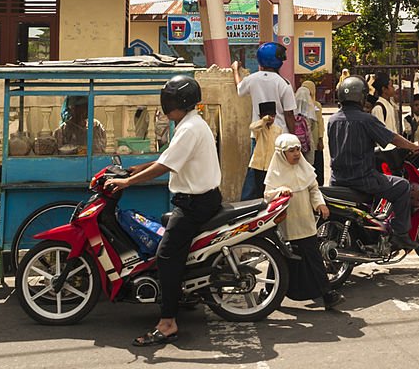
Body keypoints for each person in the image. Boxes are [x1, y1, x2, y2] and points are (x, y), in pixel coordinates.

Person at [107, 75, 222, 347]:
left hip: (195, 204)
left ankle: (168, 323)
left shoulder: (190, 128)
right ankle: (183, 293)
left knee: (166, 256)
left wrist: (127, 181)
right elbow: (168, 157)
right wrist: (136, 167)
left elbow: (164, 167)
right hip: (198, 200)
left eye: (168, 101)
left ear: (178, 102)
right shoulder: (189, 124)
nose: (165, 106)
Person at [328, 76, 419, 250]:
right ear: (362, 97)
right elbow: (392, 138)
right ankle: (400, 235)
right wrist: (412, 146)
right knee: (401, 186)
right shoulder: (366, 119)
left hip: (337, 179)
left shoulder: (332, 120)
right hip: (363, 179)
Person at [264, 133, 343, 309]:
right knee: (281, 258)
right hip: (287, 225)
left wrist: (320, 204)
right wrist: (280, 191)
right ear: (281, 153)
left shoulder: (304, 168)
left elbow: (313, 189)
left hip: (306, 223)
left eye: (298, 149)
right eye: (291, 150)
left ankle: (327, 294)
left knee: (314, 259)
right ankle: (269, 293)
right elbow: (267, 195)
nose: (296, 154)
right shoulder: (275, 173)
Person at [234, 42, 297, 200]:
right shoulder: (283, 84)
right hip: (280, 136)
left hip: (258, 134)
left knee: (256, 170)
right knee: (279, 173)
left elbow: (240, 88)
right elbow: (289, 114)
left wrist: (235, 69)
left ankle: (247, 204)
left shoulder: (252, 79)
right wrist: (294, 136)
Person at [247, 112, 282, 199]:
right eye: (269, 117)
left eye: (273, 117)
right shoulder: (259, 129)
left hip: (271, 165)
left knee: (269, 191)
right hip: (258, 165)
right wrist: (264, 120)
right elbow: (252, 127)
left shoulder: (278, 129)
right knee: (258, 191)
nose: (271, 119)